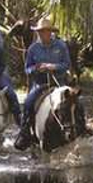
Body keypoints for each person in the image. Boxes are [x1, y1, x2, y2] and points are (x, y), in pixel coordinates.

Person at [14, 17, 71, 151]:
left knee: (74, 101)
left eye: (45, 31)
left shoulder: (61, 45)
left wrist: (53, 67)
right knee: (28, 103)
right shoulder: (33, 49)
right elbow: (27, 69)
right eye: (40, 31)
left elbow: (67, 64)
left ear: (50, 32)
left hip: (59, 82)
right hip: (40, 84)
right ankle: (24, 133)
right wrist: (36, 68)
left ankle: (81, 128)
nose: (43, 34)